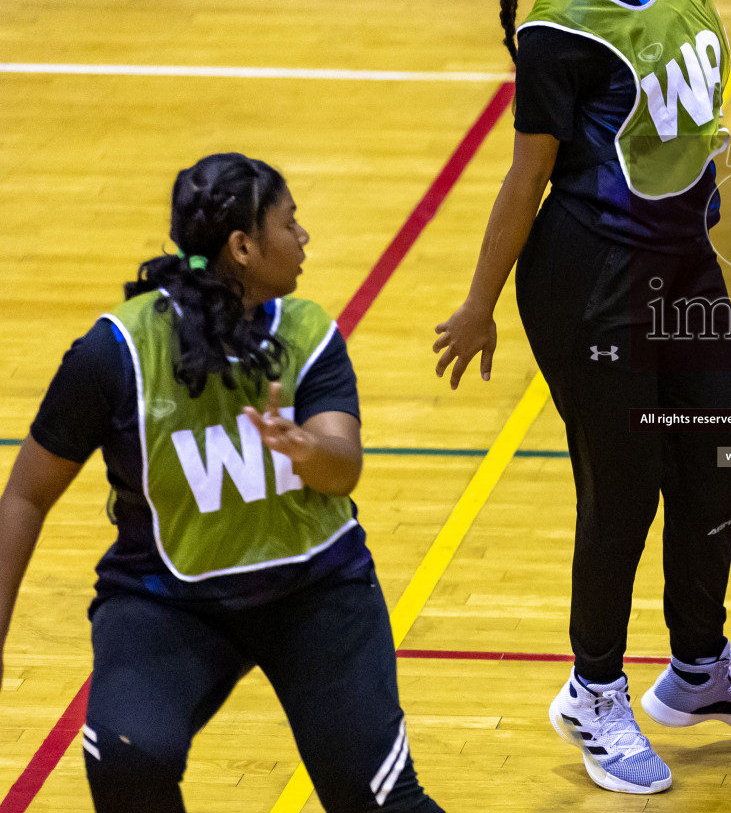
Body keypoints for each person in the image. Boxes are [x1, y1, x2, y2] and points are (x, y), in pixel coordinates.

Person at [430, 0, 731, 796]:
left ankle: (698, 668)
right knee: (623, 488)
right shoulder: (559, 26)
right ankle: (592, 692)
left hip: (684, 260)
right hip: (593, 278)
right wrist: (478, 303)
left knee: (720, 460)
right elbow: (526, 177)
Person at [0, 154, 444, 812]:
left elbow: (343, 467)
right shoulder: (116, 352)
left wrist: (306, 450)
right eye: (290, 223)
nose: (304, 239)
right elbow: (26, 494)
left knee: (377, 799)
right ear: (243, 246)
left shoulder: (307, 331)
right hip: (167, 601)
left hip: (314, 590)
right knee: (127, 756)